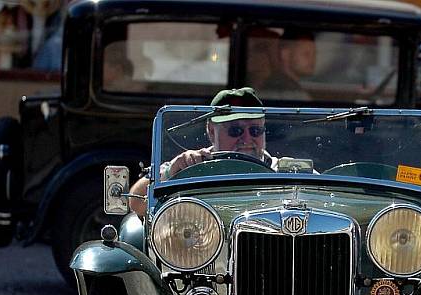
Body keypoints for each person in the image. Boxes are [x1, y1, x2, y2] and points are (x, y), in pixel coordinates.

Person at [129, 87, 269, 215]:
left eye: (255, 130)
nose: (246, 138)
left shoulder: (282, 170)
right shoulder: (192, 165)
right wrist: (170, 172)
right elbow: (135, 204)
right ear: (212, 131)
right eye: (235, 130)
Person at [262, 29, 316, 100]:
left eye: (314, 54)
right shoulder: (283, 91)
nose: (312, 60)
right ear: (285, 54)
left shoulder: (290, 88)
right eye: (306, 54)